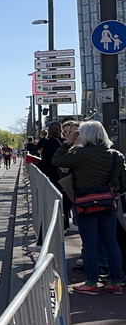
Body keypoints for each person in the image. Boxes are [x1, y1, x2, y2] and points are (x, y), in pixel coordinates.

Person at [53, 121, 126, 295]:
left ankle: (92, 282)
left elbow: (57, 160)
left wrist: (67, 142)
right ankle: (116, 281)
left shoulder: (80, 153)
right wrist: (113, 193)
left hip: (85, 203)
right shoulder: (115, 155)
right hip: (108, 203)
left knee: (90, 242)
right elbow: (123, 182)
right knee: (111, 242)